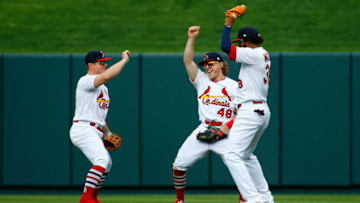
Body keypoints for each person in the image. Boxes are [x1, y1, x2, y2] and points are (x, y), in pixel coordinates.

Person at [172, 25, 243, 203]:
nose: (207, 68)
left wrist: (228, 128)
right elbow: (188, 61)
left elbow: (241, 113)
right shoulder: (202, 80)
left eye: (210, 64)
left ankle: (246, 199)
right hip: (204, 128)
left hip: (225, 131)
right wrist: (191, 38)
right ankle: (179, 200)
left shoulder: (234, 86)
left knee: (240, 169)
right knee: (179, 165)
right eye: (205, 65)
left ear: (220, 64)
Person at [219, 5, 274, 203]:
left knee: (232, 155)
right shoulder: (260, 55)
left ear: (246, 42)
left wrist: (228, 24)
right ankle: (265, 198)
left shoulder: (255, 54)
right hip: (257, 109)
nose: (238, 46)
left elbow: (225, 47)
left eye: (240, 42)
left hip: (252, 110)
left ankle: (253, 199)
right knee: (247, 156)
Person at [69, 49, 130, 203]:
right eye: (101, 62)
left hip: (94, 129)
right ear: (90, 65)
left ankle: (93, 198)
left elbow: (98, 117)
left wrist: (107, 133)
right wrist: (123, 60)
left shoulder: (103, 88)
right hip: (82, 129)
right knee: (102, 160)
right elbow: (108, 75)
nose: (105, 65)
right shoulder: (86, 81)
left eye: (105, 62)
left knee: (107, 164)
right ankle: (85, 198)